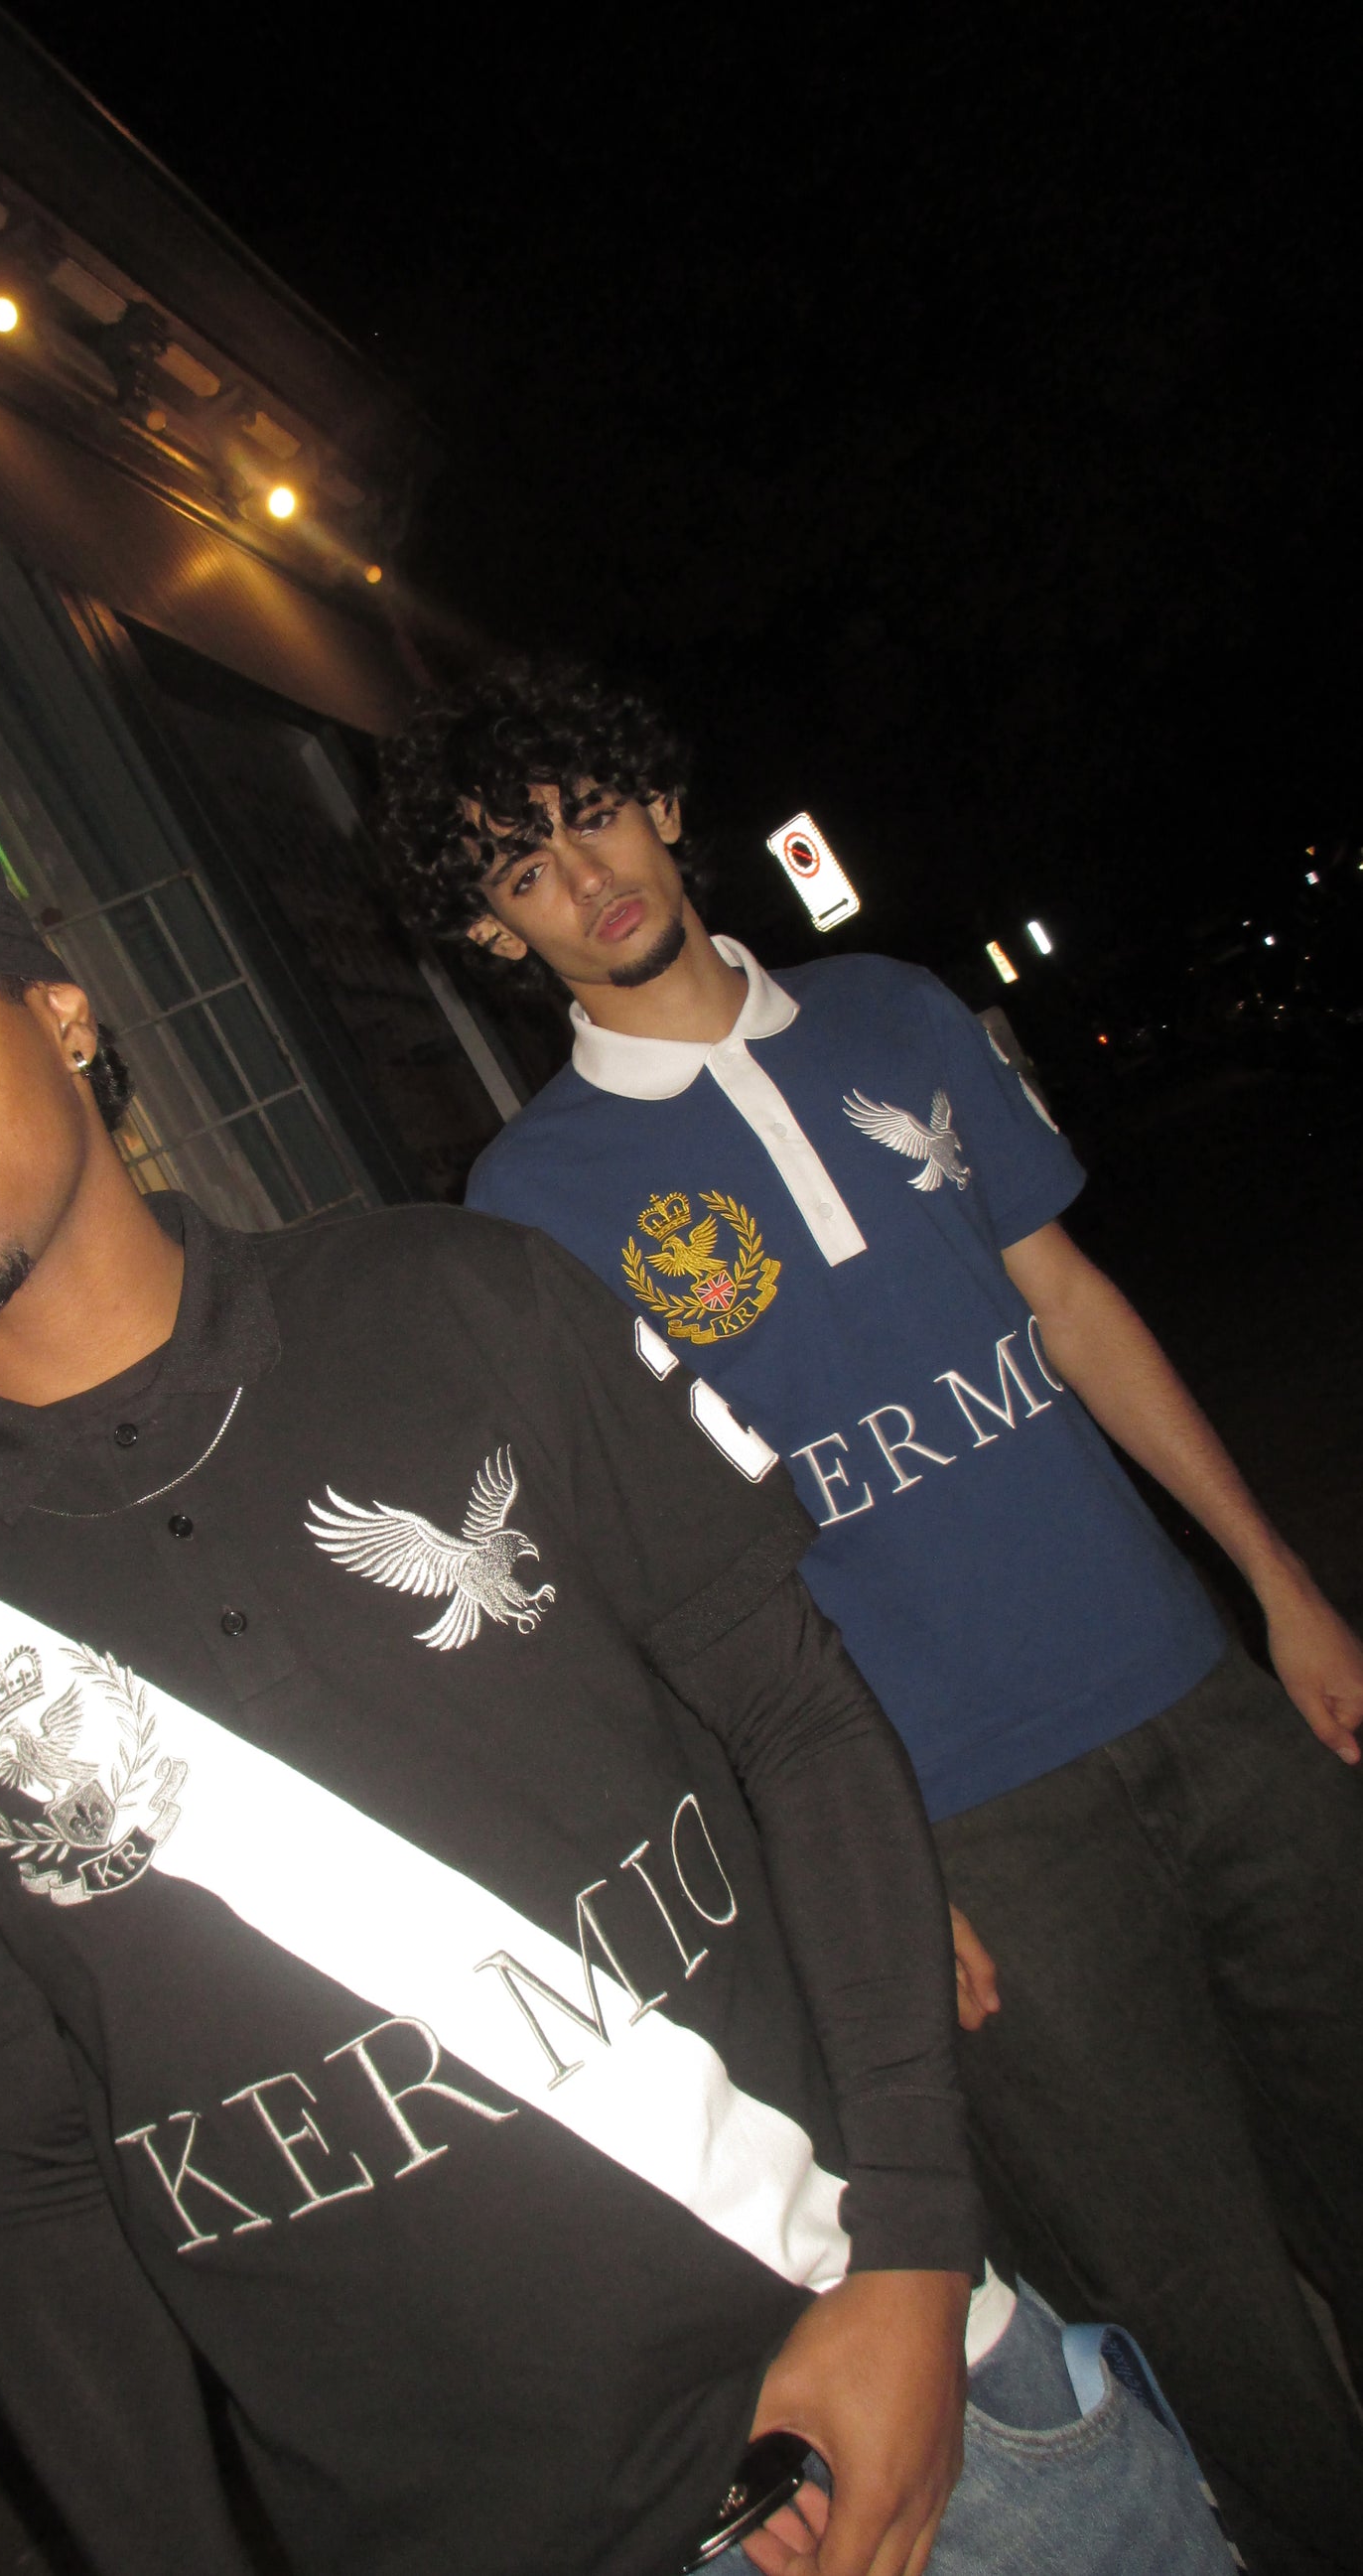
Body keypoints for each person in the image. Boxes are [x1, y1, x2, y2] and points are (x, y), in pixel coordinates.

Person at [0, 786, 1227, 2576]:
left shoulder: (460, 1301)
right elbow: (10, 2180)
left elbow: (796, 1721)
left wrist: (909, 2256)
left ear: (61, 1013)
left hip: (916, 2401)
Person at [376, 659, 1363, 2576]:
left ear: (661, 806)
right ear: (491, 933)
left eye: (593, 814)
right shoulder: (529, 1208)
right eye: (521, 869)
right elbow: (655, 1589)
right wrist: (871, 1875)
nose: (585, 877)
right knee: (1195, 2290)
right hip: (968, 1829)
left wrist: (1280, 1586)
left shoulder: (895, 1013)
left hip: (1199, 1701)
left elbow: (1064, 1304)